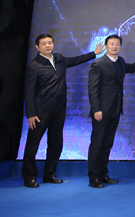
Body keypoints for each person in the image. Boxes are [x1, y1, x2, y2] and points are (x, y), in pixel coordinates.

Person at [22, 33, 104, 188]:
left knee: (56, 143)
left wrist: (94, 53)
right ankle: (29, 177)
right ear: (37, 47)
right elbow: (29, 92)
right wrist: (31, 114)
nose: (48, 45)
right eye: (44, 43)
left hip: (59, 109)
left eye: (50, 42)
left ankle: (49, 175)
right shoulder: (34, 66)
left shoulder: (59, 59)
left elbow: (75, 60)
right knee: (33, 145)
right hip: (40, 112)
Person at [87, 35, 135, 188]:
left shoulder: (120, 61)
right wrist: (96, 109)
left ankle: (103, 174)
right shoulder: (98, 64)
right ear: (105, 46)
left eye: (117, 44)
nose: (115, 46)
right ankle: (94, 177)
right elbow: (93, 89)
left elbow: (132, 68)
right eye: (112, 44)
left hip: (115, 109)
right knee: (97, 144)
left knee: (107, 144)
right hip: (101, 111)